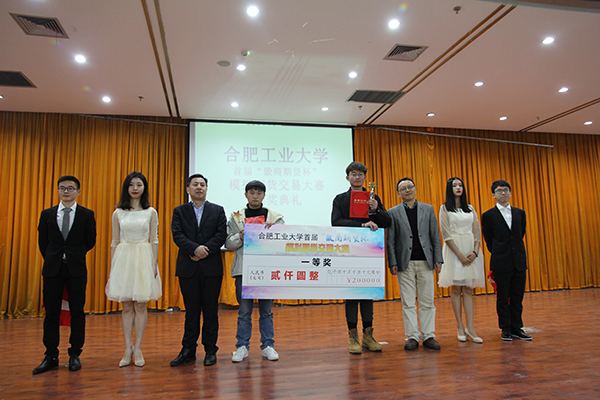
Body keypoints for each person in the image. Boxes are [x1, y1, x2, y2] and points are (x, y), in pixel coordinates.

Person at [34, 176, 96, 374]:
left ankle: (75, 354)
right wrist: (55, 257)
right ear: (58, 191)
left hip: (76, 270)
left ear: (78, 191)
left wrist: (73, 255)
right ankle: (51, 355)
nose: (66, 191)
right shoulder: (47, 214)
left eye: (70, 188)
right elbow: (43, 242)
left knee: (77, 312)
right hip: (52, 270)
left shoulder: (87, 214)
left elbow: (90, 241)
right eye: (62, 188)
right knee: (51, 313)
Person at [332, 161, 391, 354]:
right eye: (353, 174)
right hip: (349, 251)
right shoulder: (340, 199)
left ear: (365, 177)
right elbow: (336, 222)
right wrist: (361, 225)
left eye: (360, 174)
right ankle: (353, 337)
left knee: (368, 293)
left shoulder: (373, 197)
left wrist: (377, 209)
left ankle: (368, 336)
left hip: (370, 252)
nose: (357, 177)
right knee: (352, 294)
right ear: (347, 177)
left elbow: (387, 222)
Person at [105, 172, 162, 367]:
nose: (135, 188)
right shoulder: (118, 213)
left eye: (139, 184)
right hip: (124, 259)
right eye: (131, 185)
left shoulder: (151, 212)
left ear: (144, 188)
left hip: (144, 258)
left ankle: (138, 348)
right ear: (126, 188)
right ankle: (127, 348)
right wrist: (113, 267)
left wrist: (154, 263)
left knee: (141, 305)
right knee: (127, 306)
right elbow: (114, 241)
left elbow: (154, 239)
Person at [170, 174, 227, 367]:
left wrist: (204, 251)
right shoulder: (179, 211)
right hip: (188, 267)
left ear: (206, 189)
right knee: (191, 311)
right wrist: (195, 249)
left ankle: (210, 350)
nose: (199, 187)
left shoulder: (218, 210)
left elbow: (221, 235)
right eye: (195, 184)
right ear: (188, 189)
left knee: (211, 311)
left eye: (202, 184)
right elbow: (177, 235)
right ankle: (188, 350)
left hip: (211, 269)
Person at [225, 180, 284, 363]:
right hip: (244, 270)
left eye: (259, 193)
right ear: (246, 195)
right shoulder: (236, 217)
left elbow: (283, 241)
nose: (255, 196)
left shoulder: (275, 217)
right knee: (244, 312)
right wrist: (240, 236)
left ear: (264, 195)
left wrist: (273, 233)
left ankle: (268, 345)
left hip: (266, 270)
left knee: (266, 311)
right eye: (252, 192)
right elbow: (228, 244)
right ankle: (242, 346)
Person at [386, 177, 443, 351]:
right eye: (403, 188)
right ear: (398, 193)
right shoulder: (393, 212)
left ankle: (429, 335)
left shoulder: (428, 209)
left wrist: (438, 259)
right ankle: (412, 336)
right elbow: (391, 240)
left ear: (415, 189)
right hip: (405, 263)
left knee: (427, 301)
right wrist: (392, 261)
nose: (407, 190)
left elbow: (435, 235)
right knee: (408, 302)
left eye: (410, 186)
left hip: (426, 261)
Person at [481, 180, 531, 341]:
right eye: (499, 191)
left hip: (519, 260)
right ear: (493, 195)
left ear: (510, 193)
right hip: (501, 261)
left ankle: (517, 327)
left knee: (517, 296)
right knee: (503, 297)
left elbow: (520, 234)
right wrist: (499, 252)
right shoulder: (488, 215)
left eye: (505, 190)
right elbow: (489, 239)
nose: (503, 193)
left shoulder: (520, 213)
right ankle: (505, 328)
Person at [437, 177, 485, 344]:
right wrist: (459, 254)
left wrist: (475, 252)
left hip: (470, 249)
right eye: (454, 185)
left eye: (460, 185)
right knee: (456, 288)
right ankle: (459, 326)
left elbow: (477, 233)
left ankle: (471, 328)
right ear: (449, 189)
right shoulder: (444, 208)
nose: (458, 188)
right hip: (454, 251)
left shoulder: (470, 208)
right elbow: (446, 234)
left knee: (469, 289)